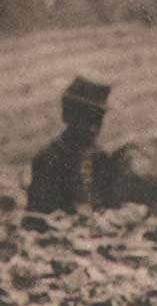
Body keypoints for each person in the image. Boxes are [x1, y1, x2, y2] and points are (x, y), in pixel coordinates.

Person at [27, 76, 118, 214]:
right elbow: (37, 213)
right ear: (69, 115)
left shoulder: (101, 159)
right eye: (87, 119)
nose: (93, 128)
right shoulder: (49, 159)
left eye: (98, 120)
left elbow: (111, 204)